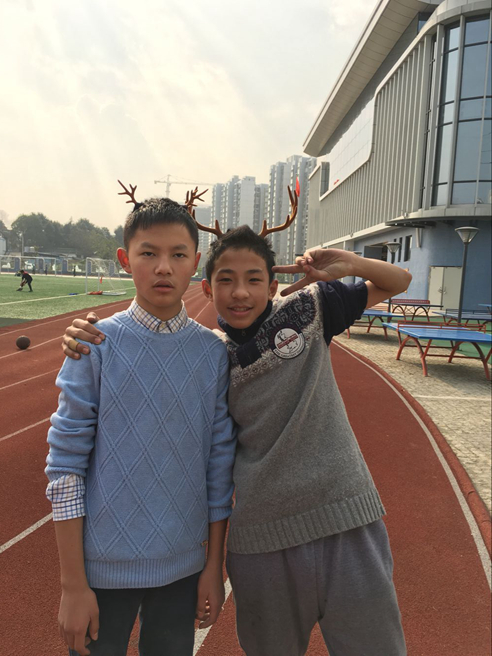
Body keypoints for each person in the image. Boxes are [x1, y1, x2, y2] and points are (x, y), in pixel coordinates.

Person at [62, 195, 412, 655]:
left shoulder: (301, 313)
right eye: (226, 280)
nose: (240, 293)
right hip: (253, 540)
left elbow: (398, 281)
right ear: (207, 288)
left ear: (272, 285)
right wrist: (82, 332)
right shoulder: (199, 352)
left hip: (339, 520)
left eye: (253, 280)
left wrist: (349, 263)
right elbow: (73, 461)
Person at [46, 192, 236, 656]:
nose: (164, 267)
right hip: (101, 570)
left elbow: (218, 467)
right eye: (148, 253)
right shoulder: (94, 345)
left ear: (196, 263)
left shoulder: (213, 354)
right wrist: (73, 585)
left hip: (183, 569)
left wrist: (213, 566)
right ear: (124, 259)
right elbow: (65, 467)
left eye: (178, 255)